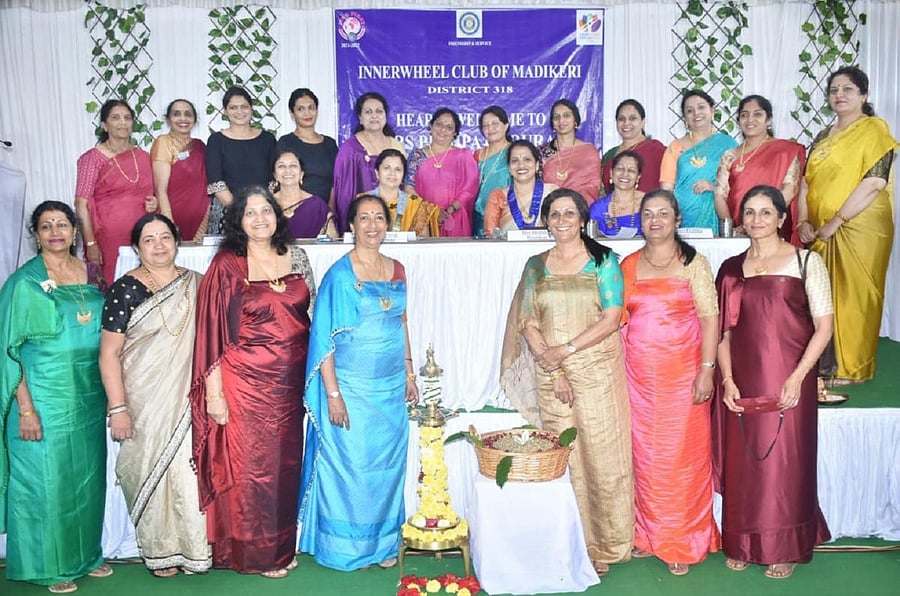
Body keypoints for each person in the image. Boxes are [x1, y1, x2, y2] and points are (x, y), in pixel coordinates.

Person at [500, 189, 634, 576]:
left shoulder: (604, 261)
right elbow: (527, 320)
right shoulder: (535, 265)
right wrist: (554, 366)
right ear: (546, 221)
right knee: (565, 457)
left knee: (603, 456)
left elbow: (612, 317)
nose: (562, 220)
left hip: (598, 373)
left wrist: (567, 350)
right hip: (551, 375)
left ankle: (606, 542)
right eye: (555, 214)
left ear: (582, 219)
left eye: (569, 213)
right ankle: (571, 541)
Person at [190, 186, 315, 578]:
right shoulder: (227, 264)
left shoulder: (295, 256)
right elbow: (210, 331)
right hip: (243, 384)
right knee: (251, 468)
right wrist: (214, 394)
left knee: (284, 467)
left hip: (289, 386)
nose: (260, 218)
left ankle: (279, 547)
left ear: (277, 215)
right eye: (251, 213)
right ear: (238, 221)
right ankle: (254, 554)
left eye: (267, 211)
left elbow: (310, 314)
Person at [715, 185, 833, 579]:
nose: (757, 220)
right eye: (749, 212)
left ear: (782, 218)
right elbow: (723, 333)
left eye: (766, 212)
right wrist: (727, 380)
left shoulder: (806, 261)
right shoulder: (731, 269)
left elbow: (824, 327)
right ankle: (743, 541)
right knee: (745, 463)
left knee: (787, 463)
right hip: (743, 382)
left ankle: (786, 546)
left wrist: (798, 377)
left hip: (791, 381)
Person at [299, 194, 419, 571]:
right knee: (352, 467)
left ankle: (383, 544)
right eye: (364, 218)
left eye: (379, 218)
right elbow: (324, 339)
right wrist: (333, 395)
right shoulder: (340, 275)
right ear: (351, 225)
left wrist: (410, 372)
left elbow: (401, 323)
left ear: (387, 224)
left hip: (390, 390)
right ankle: (349, 547)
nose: (372, 225)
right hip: (350, 389)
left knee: (387, 468)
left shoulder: (398, 269)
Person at [0, 201, 112, 594]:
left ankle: (86, 557)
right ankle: (47, 566)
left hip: (87, 396)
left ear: (75, 231)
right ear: (36, 235)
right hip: (42, 399)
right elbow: (9, 350)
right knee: (46, 483)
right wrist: (25, 409)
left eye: (62, 224)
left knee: (85, 481)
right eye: (46, 226)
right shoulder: (24, 283)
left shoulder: (91, 273)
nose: (55, 232)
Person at [98, 214, 210, 577]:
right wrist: (118, 408)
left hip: (188, 398)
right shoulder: (125, 289)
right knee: (150, 469)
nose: (159, 245)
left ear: (177, 242)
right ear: (136, 248)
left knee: (187, 473)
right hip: (142, 398)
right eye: (149, 240)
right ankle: (160, 551)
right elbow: (109, 353)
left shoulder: (197, 283)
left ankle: (194, 550)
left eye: (165, 237)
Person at [620, 189, 719, 576]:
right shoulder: (629, 264)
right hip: (639, 381)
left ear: (677, 219)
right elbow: (617, 319)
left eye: (663, 213)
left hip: (684, 378)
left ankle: (682, 538)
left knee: (682, 460)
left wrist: (707, 369)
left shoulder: (694, 263)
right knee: (646, 458)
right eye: (648, 214)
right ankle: (648, 534)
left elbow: (710, 318)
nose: (655, 220)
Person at [797, 66, 897, 383]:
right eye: (834, 90)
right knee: (822, 295)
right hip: (820, 229)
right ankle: (826, 365)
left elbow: (875, 182)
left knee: (856, 294)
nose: (839, 95)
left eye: (848, 89)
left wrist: (836, 222)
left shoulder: (874, 130)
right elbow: (806, 183)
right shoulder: (823, 136)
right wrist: (803, 220)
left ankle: (854, 368)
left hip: (861, 226)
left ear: (863, 95)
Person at [76, 99, 156, 285]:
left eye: (127, 118)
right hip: (109, 239)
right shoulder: (92, 159)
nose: (122, 122)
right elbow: (81, 204)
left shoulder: (143, 157)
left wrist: (155, 203)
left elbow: (151, 194)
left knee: (146, 284)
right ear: (104, 125)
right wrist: (90, 243)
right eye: (115, 118)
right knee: (113, 285)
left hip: (143, 234)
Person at [714, 95, 805, 243]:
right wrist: (732, 229)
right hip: (737, 232)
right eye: (744, 115)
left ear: (768, 120)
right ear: (739, 121)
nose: (750, 120)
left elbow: (790, 189)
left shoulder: (785, 151)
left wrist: (759, 220)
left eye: (757, 114)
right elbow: (720, 195)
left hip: (772, 227)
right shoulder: (729, 155)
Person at [660, 90, 738, 233]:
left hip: (719, 216)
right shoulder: (675, 147)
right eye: (690, 111)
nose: (696, 113)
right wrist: (672, 217)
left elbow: (738, 185)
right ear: (684, 118)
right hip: (684, 219)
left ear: (712, 110)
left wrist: (715, 188)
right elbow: (666, 190)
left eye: (701, 107)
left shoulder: (727, 144)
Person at [206, 86, 277, 235]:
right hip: (227, 212)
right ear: (225, 111)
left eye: (244, 106)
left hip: (262, 214)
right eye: (233, 107)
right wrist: (240, 211)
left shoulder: (267, 139)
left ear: (251, 109)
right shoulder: (216, 141)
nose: (239, 112)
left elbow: (273, 180)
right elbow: (216, 183)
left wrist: (257, 210)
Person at [332, 92, 406, 234]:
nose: (374, 116)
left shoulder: (396, 146)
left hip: (395, 218)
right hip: (362, 221)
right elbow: (343, 194)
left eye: (379, 111)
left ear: (385, 116)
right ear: (360, 118)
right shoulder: (349, 149)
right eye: (368, 112)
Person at [404, 107, 479, 237]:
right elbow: (408, 187)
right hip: (424, 218)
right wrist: (431, 212)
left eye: (449, 127)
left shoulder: (464, 156)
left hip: (455, 217)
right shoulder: (417, 156)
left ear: (455, 133)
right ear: (431, 126)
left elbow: (470, 189)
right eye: (439, 124)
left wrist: (450, 210)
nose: (443, 130)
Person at [150, 99, 209, 242]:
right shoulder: (163, 142)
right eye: (176, 114)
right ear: (168, 120)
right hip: (172, 217)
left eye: (188, 114)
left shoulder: (200, 146)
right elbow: (160, 190)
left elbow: (207, 187)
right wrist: (169, 224)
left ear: (194, 120)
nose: (183, 118)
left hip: (203, 220)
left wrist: (207, 219)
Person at [277, 88, 339, 204]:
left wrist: (329, 210)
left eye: (311, 108)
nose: (307, 113)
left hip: (326, 208)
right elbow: (282, 180)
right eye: (301, 109)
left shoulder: (329, 144)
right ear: (292, 113)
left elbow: (336, 182)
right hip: (296, 207)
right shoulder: (286, 142)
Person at [483, 139, 558, 235]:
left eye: (527, 160)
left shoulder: (552, 193)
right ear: (509, 168)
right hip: (506, 245)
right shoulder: (498, 196)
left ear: (537, 165)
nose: (521, 165)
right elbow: (490, 235)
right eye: (515, 161)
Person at [538, 99, 603, 204]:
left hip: (581, 207)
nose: (561, 120)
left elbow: (593, 186)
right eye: (556, 117)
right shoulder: (541, 152)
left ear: (575, 121)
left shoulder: (589, 151)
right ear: (552, 124)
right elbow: (538, 187)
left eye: (566, 115)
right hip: (551, 207)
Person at [368, 149, 440, 237]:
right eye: (387, 168)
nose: (392, 173)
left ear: (403, 175)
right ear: (377, 173)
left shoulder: (416, 205)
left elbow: (423, 241)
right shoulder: (362, 202)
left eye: (398, 169)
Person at [601, 99, 665, 194]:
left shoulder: (657, 150)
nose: (626, 123)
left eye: (632, 118)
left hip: (650, 203)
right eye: (621, 119)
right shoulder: (610, 155)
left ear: (643, 122)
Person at [272, 147, 337, 238]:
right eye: (281, 166)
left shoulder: (318, 207)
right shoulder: (267, 204)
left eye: (293, 166)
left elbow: (332, 241)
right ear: (275, 175)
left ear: (301, 173)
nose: (288, 170)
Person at [473, 106, 513, 235]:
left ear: (506, 125)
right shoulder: (477, 154)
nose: (490, 129)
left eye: (495, 123)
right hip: (478, 215)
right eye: (485, 125)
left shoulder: (515, 152)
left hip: (506, 212)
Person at [589, 151, 645, 237]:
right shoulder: (598, 208)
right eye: (620, 169)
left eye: (631, 170)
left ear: (638, 177)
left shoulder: (648, 204)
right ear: (611, 173)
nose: (625, 174)